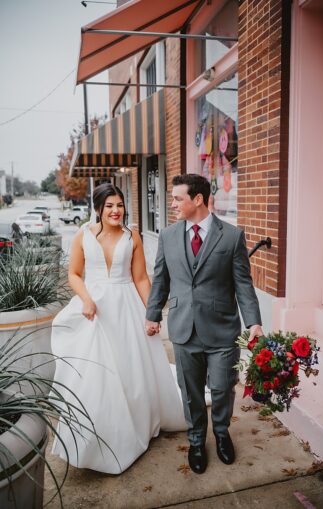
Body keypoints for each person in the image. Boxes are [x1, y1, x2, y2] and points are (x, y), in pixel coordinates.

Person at [51, 184, 187, 474]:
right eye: (109, 205)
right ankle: (100, 434)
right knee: (99, 372)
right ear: (98, 208)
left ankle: (138, 423)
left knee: (133, 367)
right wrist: (86, 299)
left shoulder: (132, 236)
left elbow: (139, 279)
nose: (116, 210)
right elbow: (74, 274)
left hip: (127, 307)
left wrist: (152, 314)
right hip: (96, 310)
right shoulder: (82, 236)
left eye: (120, 205)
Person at [145, 174, 263, 474]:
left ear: (197, 199)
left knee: (223, 388)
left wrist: (254, 322)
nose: (172, 204)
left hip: (223, 328)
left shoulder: (232, 236)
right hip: (184, 328)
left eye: (177, 198)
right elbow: (161, 278)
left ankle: (221, 434)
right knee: (191, 392)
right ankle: (197, 441)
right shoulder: (168, 236)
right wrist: (153, 313)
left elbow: (243, 284)